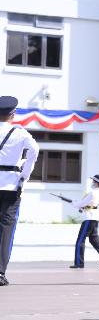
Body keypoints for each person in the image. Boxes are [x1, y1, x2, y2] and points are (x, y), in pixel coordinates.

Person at [0, 96, 40, 286]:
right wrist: (25, 174)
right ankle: (0, 273)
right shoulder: (20, 133)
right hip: (10, 186)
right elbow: (34, 150)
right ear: (13, 114)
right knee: (6, 228)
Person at [70, 174, 99, 269]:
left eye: (93, 181)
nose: (92, 182)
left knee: (80, 240)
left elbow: (83, 203)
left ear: (96, 183)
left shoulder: (93, 193)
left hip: (89, 217)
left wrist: (74, 203)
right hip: (95, 217)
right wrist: (78, 204)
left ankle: (79, 263)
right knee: (94, 240)